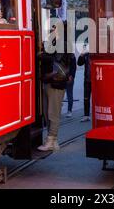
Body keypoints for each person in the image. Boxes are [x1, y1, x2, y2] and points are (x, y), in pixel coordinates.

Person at [38, 23, 76, 151]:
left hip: (56, 81)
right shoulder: (57, 42)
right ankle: (52, 141)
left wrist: (41, 54)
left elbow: (54, 58)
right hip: (50, 80)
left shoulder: (63, 44)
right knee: (48, 112)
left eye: (56, 28)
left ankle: (51, 139)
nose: (53, 30)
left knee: (52, 113)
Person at [77, 43, 91, 122]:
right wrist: (82, 54)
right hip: (87, 80)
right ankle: (86, 115)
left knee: (96, 99)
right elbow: (79, 63)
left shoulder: (96, 55)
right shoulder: (86, 55)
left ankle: (94, 113)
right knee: (86, 98)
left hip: (95, 80)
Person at [65, 53, 77, 118]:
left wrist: (71, 76)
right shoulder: (72, 55)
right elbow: (74, 67)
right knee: (69, 94)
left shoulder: (71, 56)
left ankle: (69, 110)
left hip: (68, 77)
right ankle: (69, 111)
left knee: (69, 94)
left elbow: (74, 67)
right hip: (65, 77)